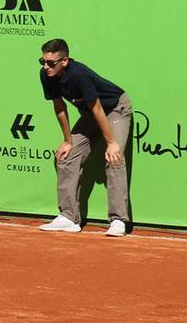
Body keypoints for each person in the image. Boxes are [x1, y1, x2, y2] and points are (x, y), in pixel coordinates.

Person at [37, 38, 132, 236]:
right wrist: (67, 140)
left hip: (115, 109)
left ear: (64, 61)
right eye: (43, 61)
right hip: (90, 113)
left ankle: (118, 220)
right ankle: (68, 217)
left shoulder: (78, 74)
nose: (46, 66)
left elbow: (97, 108)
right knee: (67, 156)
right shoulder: (46, 75)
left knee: (114, 158)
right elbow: (59, 107)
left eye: (51, 63)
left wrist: (111, 143)